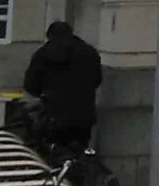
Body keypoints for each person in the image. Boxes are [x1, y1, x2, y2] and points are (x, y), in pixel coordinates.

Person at [22, 19, 102, 153]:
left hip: (53, 116)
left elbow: (30, 84)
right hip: (83, 115)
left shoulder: (42, 54)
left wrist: (45, 93)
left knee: (52, 153)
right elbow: (97, 79)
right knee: (80, 152)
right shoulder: (89, 53)